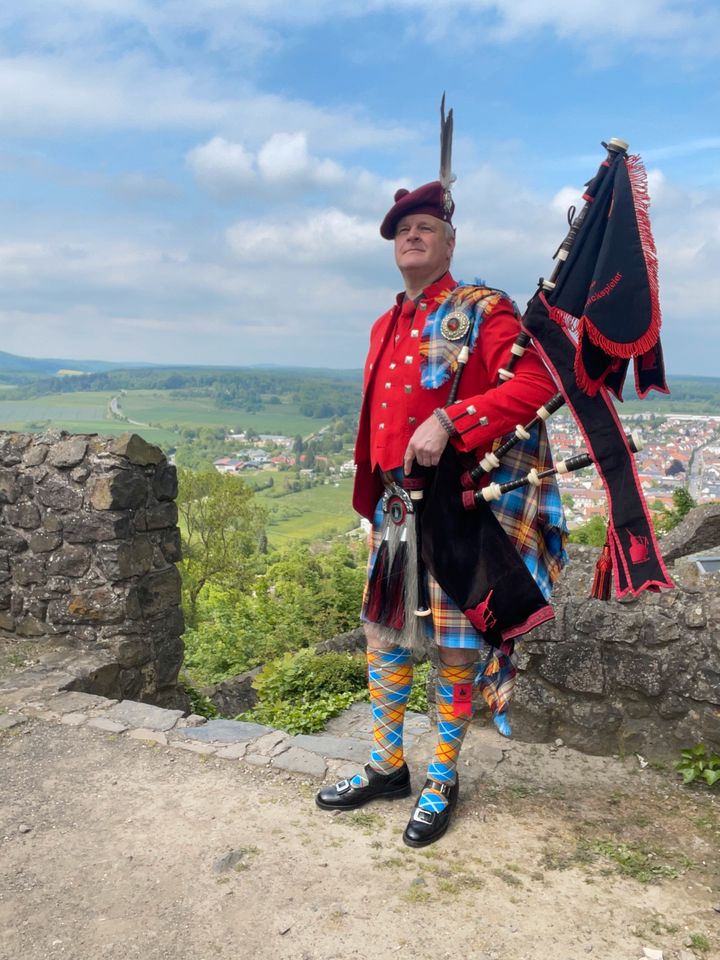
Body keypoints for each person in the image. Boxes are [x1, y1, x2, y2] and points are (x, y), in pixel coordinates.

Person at [315, 177, 566, 847]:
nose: (412, 235)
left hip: (455, 510)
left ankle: (442, 777)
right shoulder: (385, 322)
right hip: (396, 512)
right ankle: (386, 765)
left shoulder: (483, 309)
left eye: (426, 226)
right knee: (384, 640)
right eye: (402, 230)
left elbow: (541, 382)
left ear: (450, 241)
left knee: (455, 653)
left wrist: (454, 418)